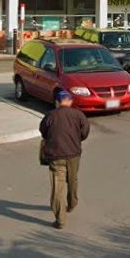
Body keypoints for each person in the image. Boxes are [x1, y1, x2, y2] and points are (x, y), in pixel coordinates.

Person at [39, 87, 90, 229]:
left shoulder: (50, 116)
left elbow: (43, 131)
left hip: (56, 156)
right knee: (72, 179)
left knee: (58, 186)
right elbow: (85, 132)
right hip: (74, 154)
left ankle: (60, 220)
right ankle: (72, 203)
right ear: (70, 101)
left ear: (57, 102)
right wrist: (76, 140)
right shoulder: (78, 115)